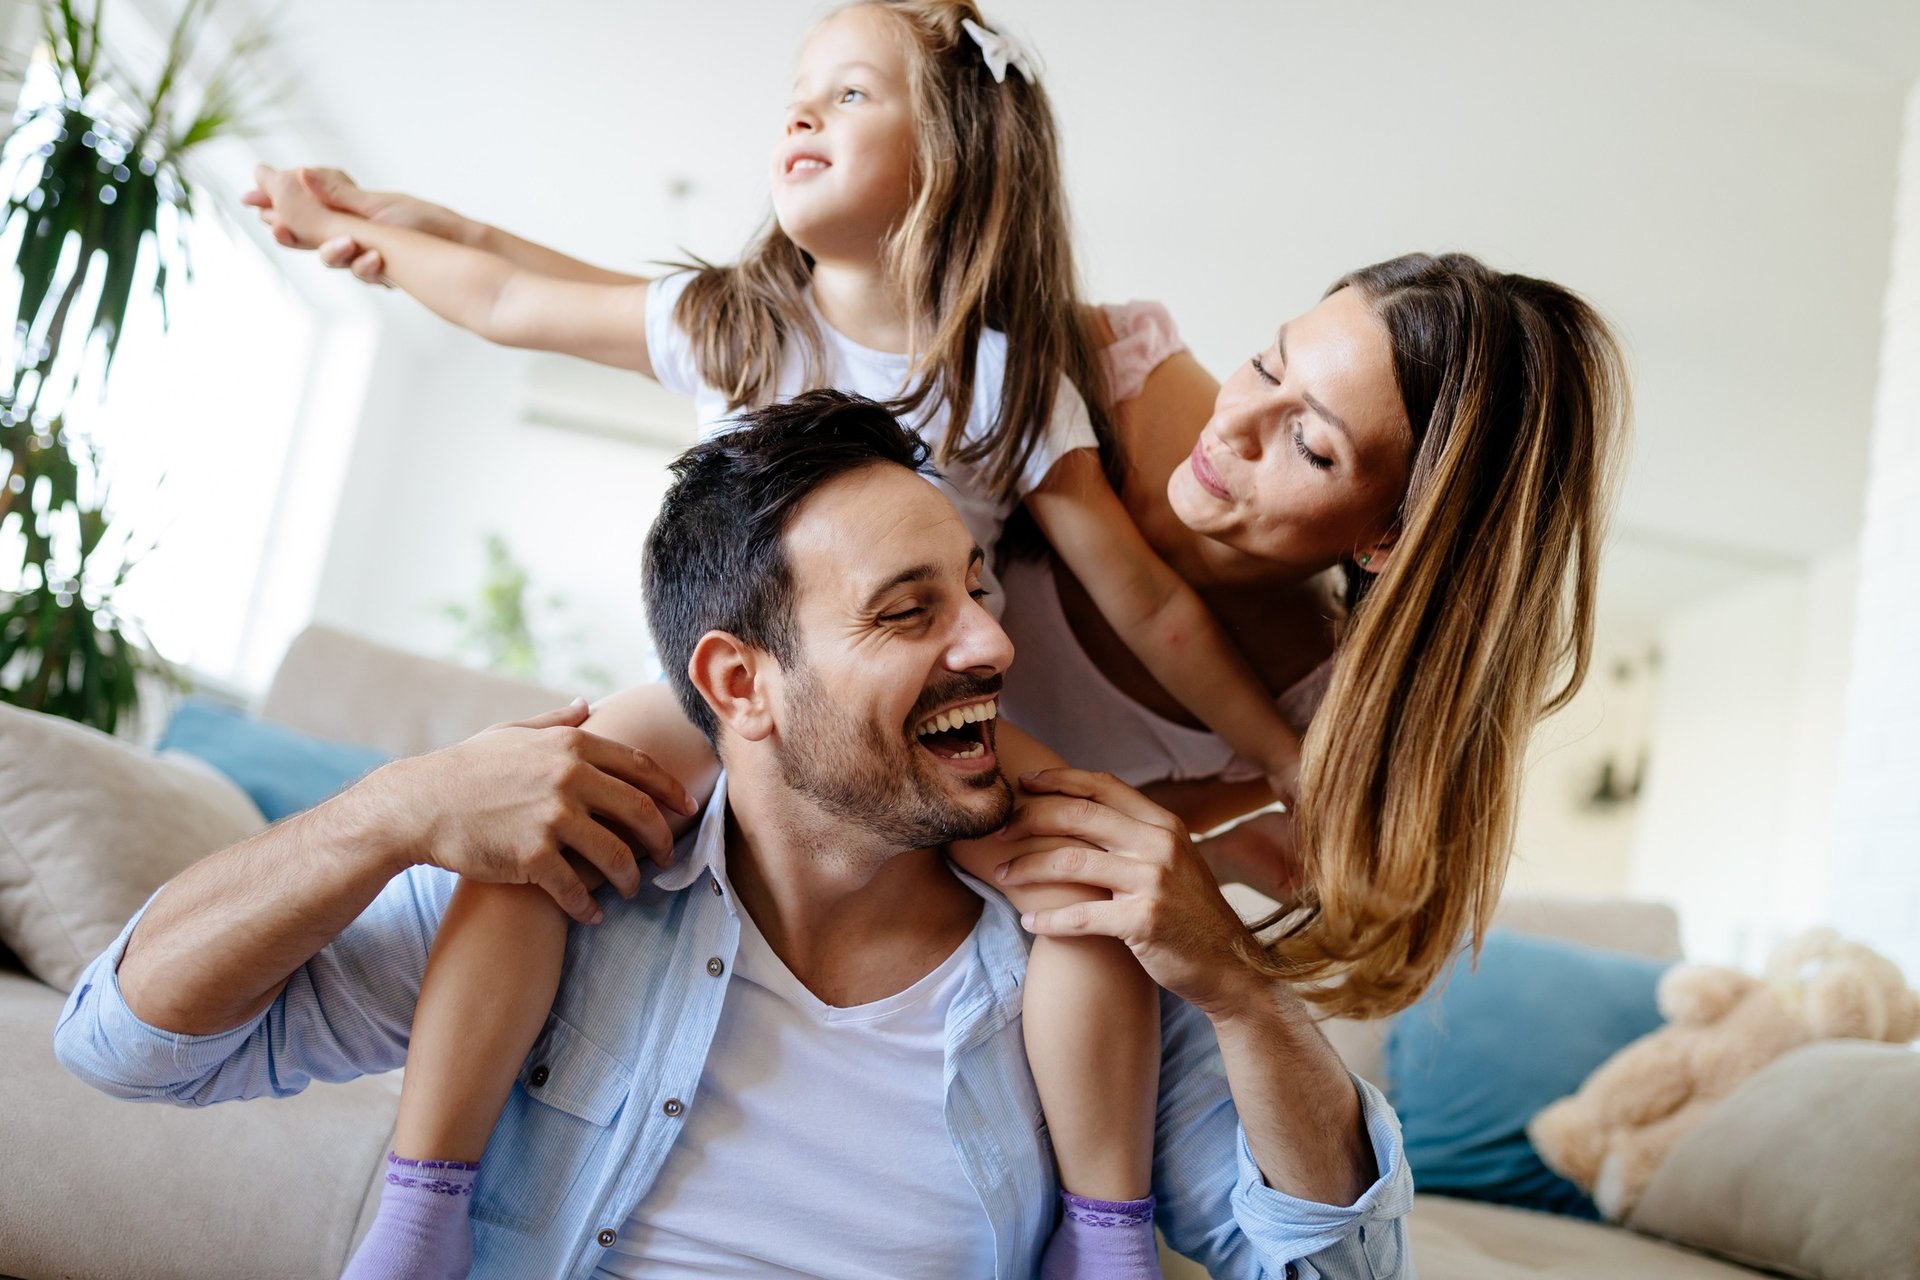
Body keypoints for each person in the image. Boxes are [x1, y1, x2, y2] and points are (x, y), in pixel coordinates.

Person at [244, 6, 1303, 1272]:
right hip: (717, 692)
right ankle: (423, 1202)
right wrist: (367, 228)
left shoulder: (1008, 379)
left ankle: (1107, 1234)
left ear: (954, 157)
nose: (798, 114)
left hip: (923, 722)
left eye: (850, 94)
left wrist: (1286, 758)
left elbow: (1149, 602)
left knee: (1086, 892)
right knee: (541, 828)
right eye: (798, 93)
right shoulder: (739, 322)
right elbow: (510, 285)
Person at [54, 392, 1413, 1279]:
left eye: (980, 591)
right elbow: (125, 1045)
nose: (996, 643)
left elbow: (1337, 1272)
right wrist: (390, 812)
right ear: (739, 685)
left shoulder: (1082, 951)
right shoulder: (582, 893)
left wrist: (1239, 990)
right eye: (907, 611)